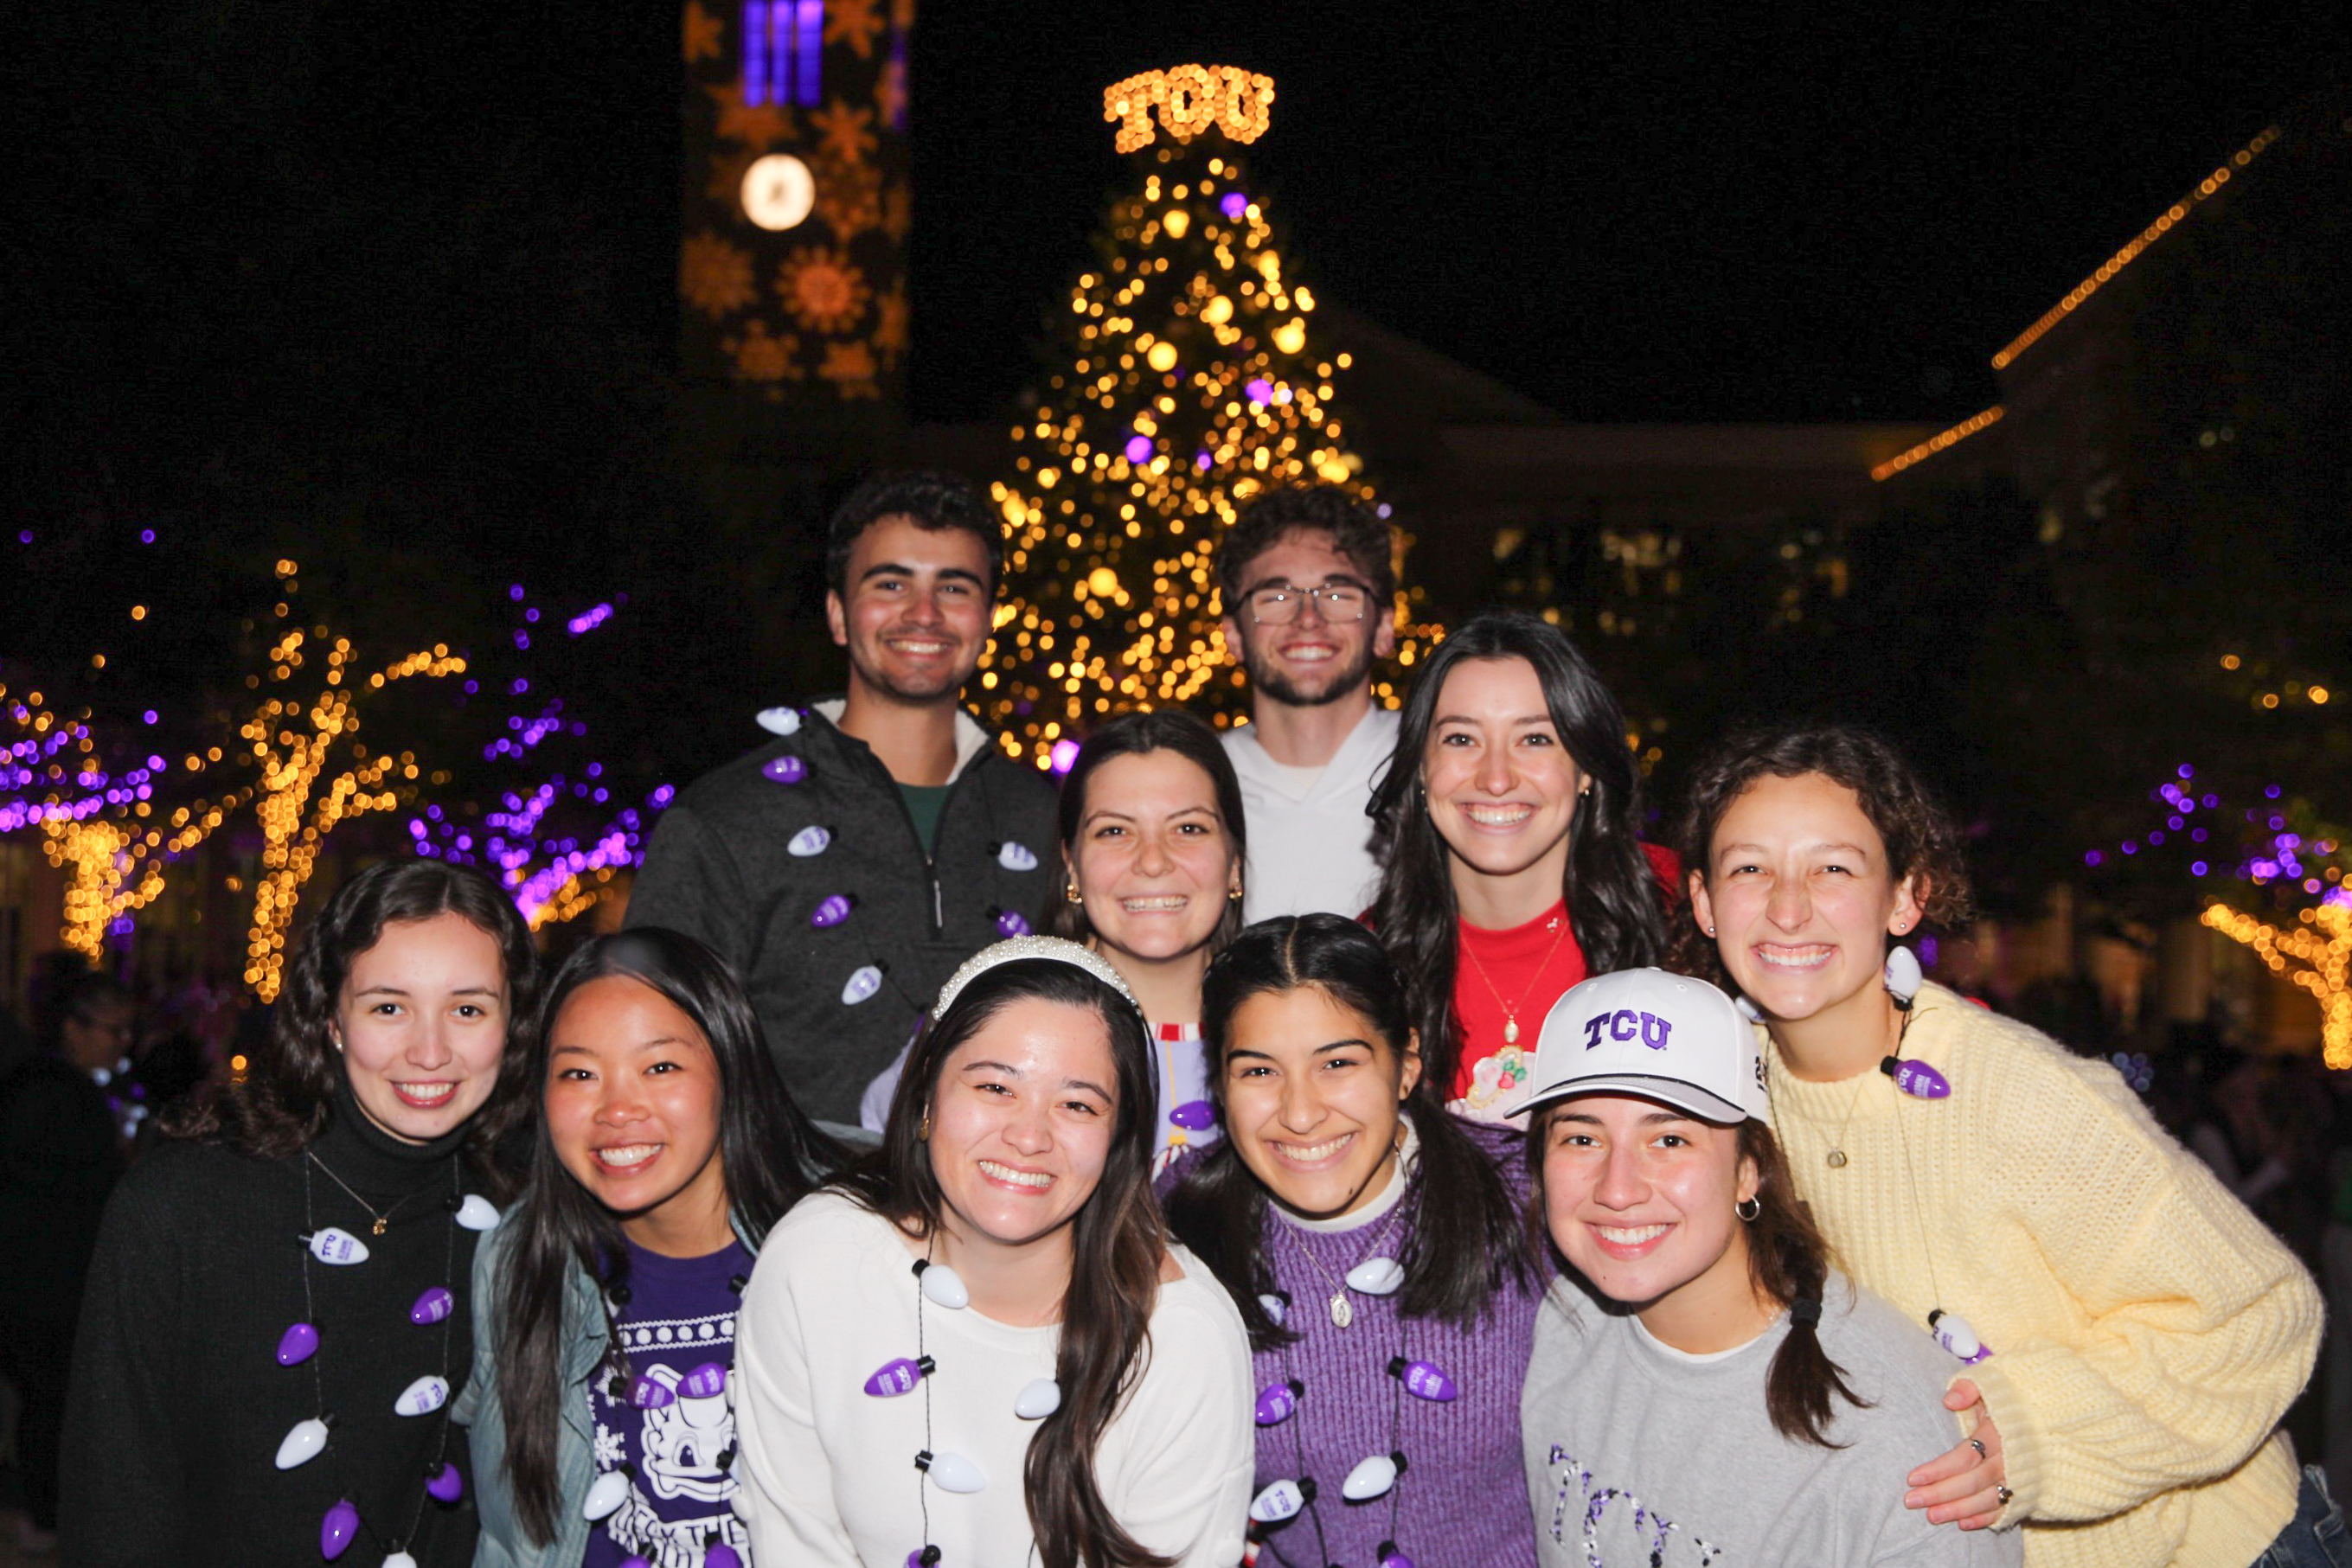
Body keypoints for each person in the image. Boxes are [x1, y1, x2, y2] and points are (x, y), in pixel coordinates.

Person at [1678, 724, 2334, 1567]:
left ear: (1904, 896)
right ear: (1702, 900)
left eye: (1833, 866)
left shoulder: (2010, 1092)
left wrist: (2031, 1429)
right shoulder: (1722, 1098)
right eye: (1748, 868)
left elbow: (2260, 1312)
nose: (1787, 904)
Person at [61, 861, 536, 1568]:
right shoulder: (183, 1206)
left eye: (467, 1008)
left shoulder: (526, 1217)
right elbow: (114, 1497)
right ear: (330, 1019)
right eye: (388, 1006)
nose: (430, 1050)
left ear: (511, 1024)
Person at [731, 937, 1254, 1568]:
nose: (1028, 1136)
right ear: (925, 1093)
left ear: (1118, 1140)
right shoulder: (818, 1259)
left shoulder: (1181, 1337)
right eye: (995, 1087)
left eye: (1076, 1104)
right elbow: (796, 1546)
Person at [1513, 966, 2019, 1567]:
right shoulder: (1564, 1320)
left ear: (1749, 1168)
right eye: (1581, 1138)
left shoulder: (1902, 1449)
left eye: (1669, 1139)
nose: (1617, 1189)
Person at [627, 470, 1060, 1128]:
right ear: (837, 614)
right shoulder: (723, 821)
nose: (924, 612)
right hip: (782, 1218)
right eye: (890, 584)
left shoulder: (1048, 817)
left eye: (954, 586)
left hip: (1008, 1214)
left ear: (988, 618)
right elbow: (645, 1053)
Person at [1164, 913, 1543, 1568]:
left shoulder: (1524, 1198)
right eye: (1258, 1071)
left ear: (1406, 1064)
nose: (1301, 1112)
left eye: (1336, 1062)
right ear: (1220, 1085)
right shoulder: (1180, 1216)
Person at [461, 928, 840, 1568]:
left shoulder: (844, 1240)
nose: (616, 1109)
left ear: (730, 1064)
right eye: (579, 1072)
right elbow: (507, 1536)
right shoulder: (519, 1261)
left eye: (660, 1066)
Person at [866, 708, 1249, 1173]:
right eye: (1114, 831)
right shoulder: (995, 1007)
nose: (1153, 862)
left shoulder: (1283, 1022)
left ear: (1233, 860)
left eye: (1189, 828)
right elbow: (884, 1135)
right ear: (1071, 863)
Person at [1367, 609, 1675, 1121]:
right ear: (1421, 768)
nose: (1495, 778)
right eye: (1461, 739)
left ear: (1585, 769)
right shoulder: (1367, 963)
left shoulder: (1686, 912)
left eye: (1534, 739)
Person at [1215, 487, 1400, 925]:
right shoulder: (1195, 782)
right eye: (1275, 598)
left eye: (1339, 595)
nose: (1309, 618)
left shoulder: (1442, 766)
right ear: (1233, 635)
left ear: (1384, 627)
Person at [0, 971, 131, 1552]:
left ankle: (41, 1511)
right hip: (42, 1281)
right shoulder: (52, 1093)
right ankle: (40, 1514)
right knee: (49, 1400)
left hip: (45, 1276)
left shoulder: (61, 1088)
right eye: (112, 1029)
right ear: (73, 1029)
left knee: (47, 1399)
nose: (122, 1041)